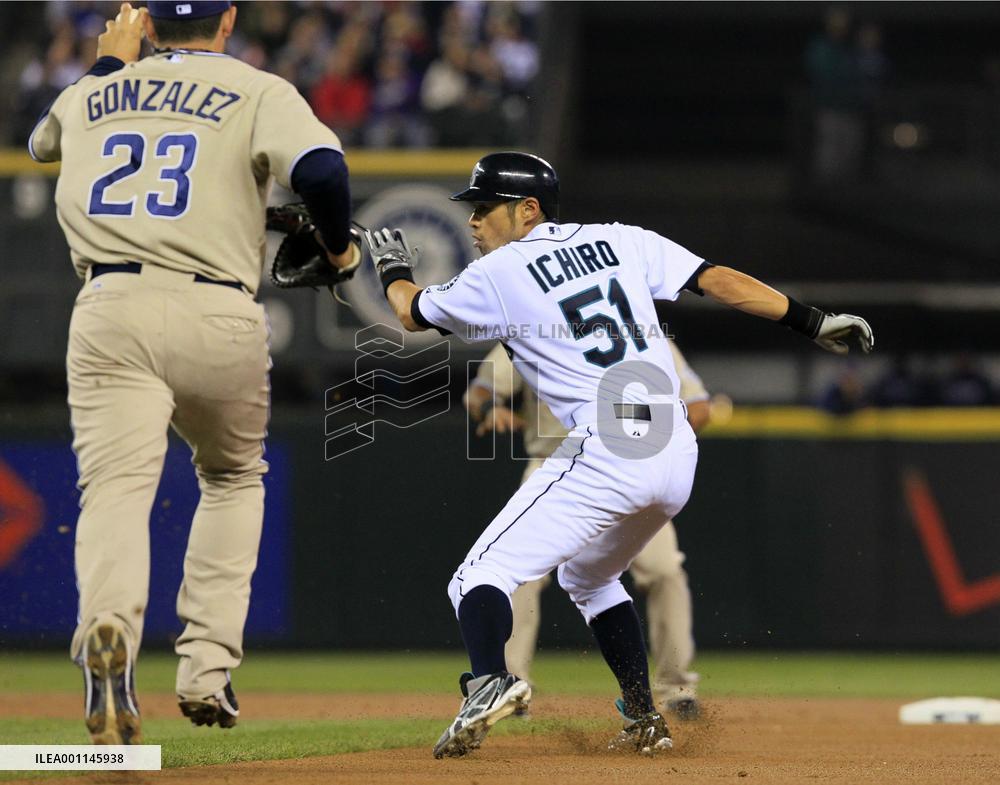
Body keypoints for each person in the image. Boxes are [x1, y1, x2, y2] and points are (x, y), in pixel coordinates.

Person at [363, 151, 873, 758]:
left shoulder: (498, 273)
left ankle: (488, 680)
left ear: (527, 210)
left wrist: (392, 268)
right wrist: (811, 322)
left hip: (606, 447)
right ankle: (643, 715)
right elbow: (716, 280)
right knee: (590, 575)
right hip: (673, 448)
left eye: (483, 207)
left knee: (478, 574)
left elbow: (409, 312)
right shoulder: (621, 241)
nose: (473, 222)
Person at [28, 1, 359, 744]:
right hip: (218, 307)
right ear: (227, 20)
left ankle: (107, 626)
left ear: (144, 24)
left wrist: (112, 67)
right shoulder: (258, 88)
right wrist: (339, 250)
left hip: (110, 304)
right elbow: (325, 170)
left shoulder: (89, 92)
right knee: (234, 474)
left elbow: (40, 143)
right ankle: (207, 668)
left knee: (115, 488)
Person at [465, 338, 711, 719]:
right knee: (514, 574)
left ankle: (676, 688)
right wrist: (487, 407)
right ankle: (509, 685)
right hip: (554, 466)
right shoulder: (535, 323)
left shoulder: (641, 328)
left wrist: (666, 428)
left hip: (630, 467)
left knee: (664, 570)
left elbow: (698, 405)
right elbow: (480, 390)